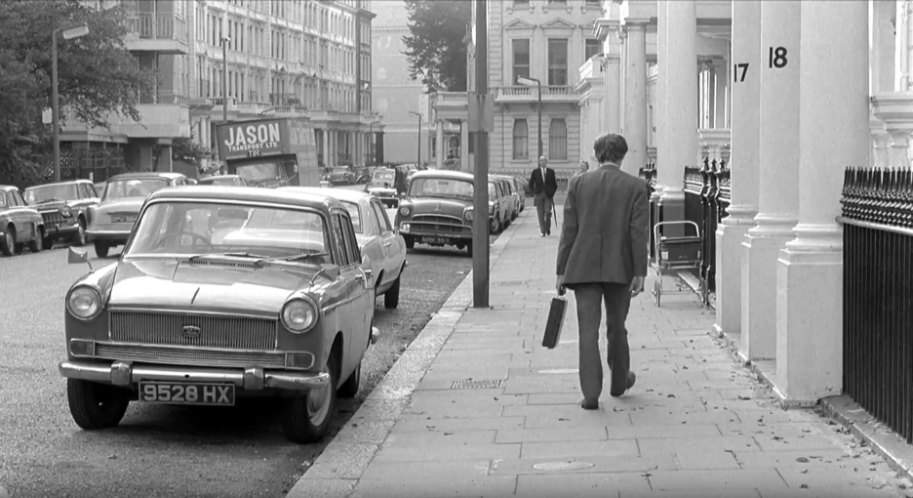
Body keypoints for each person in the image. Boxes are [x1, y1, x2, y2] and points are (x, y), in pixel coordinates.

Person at [556, 133, 649, 410]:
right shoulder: (636, 186)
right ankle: (619, 380)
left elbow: (568, 231)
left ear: (597, 155)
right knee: (617, 327)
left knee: (587, 331)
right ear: (622, 156)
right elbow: (638, 233)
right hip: (620, 267)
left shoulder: (578, 184)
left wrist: (561, 270)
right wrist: (640, 271)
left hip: (582, 267)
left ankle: (591, 394)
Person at [527, 155, 558, 236]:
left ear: (546, 162)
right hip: (539, 195)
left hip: (548, 195)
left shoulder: (551, 171)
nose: (543, 162)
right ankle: (542, 231)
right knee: (540, 213)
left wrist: (551, 193)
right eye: (541, 160)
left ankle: (547, 228)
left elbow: (555, 185)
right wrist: (534, 193)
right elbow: (530, 184)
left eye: (544, 160)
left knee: (547, 212)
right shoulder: (535, 172)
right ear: (539, 162)